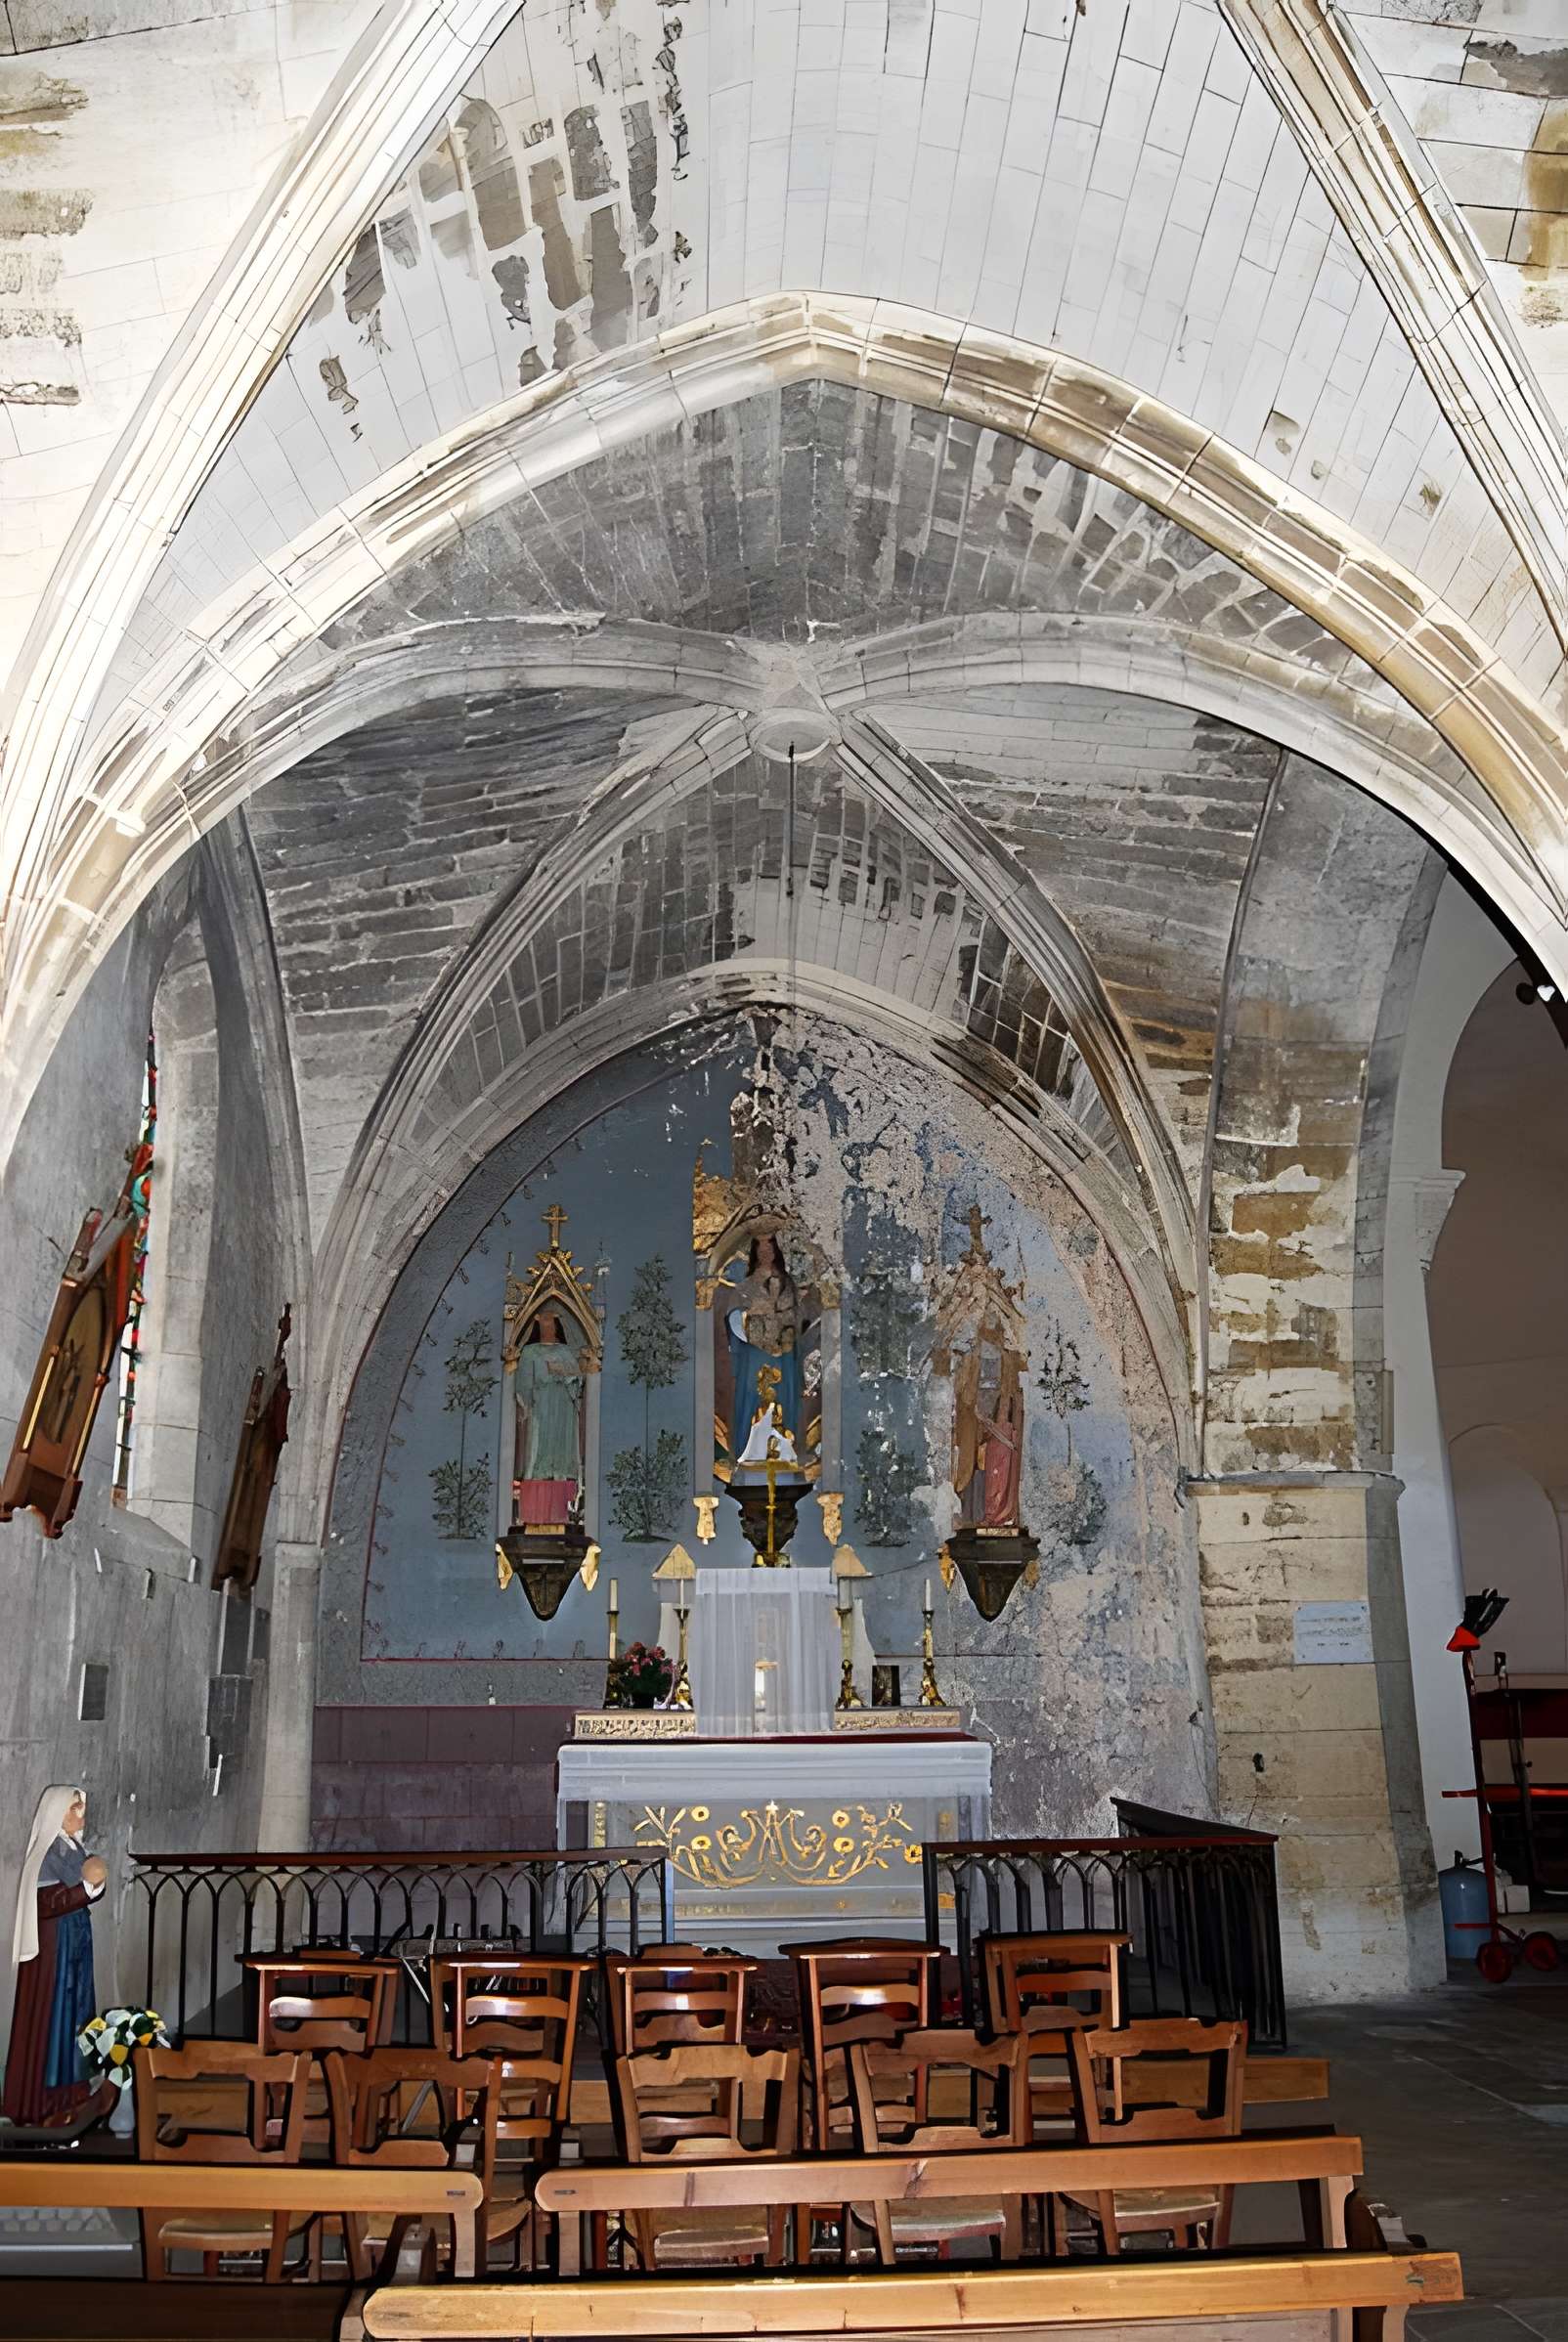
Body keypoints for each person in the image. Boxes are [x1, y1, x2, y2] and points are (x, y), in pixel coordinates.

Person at [3, 1785, 106, 2128]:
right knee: (55, 2013)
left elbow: (83, 1889)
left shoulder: (73, 1846)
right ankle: (46, 2097)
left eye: (81, 1808)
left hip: (74, 1939)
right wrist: (87, 1888)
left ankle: (73, 2090)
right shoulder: (46, 1852)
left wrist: (92, 1888)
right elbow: (46, 1903)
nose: (81, 1815)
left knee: (77, 2009)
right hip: (54, 1947)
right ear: (57, 1812)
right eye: (75, 1808)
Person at [721, 1234, 807, 1462]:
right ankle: (750, 1453)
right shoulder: (745, 1286)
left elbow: (797, 1316)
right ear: (754, 1254)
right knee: (753, 1395)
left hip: (783, 1351)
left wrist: (783, 1320)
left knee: (784, 1395)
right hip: (755, 1352)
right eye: (760, 1251)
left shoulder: (788, 1284)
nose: (765, 1254)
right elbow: (734, 1316)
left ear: (776, 1251)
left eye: (769, 1250)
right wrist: (753, 1325)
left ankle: (784, 1453)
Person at [512, 1311, 584, 1526]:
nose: (547, 1326)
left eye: (550, 1322)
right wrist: (528, 1401)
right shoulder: (530, 1352)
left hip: (562, 1408)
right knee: (537, 1451)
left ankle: (566, 1510)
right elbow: (523, 1384)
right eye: (543, 1322)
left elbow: (578, 1380)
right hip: (541, 1408)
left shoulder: (565, 1351)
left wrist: (564, 1374)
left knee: (561, 1453)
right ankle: (533, 1515)